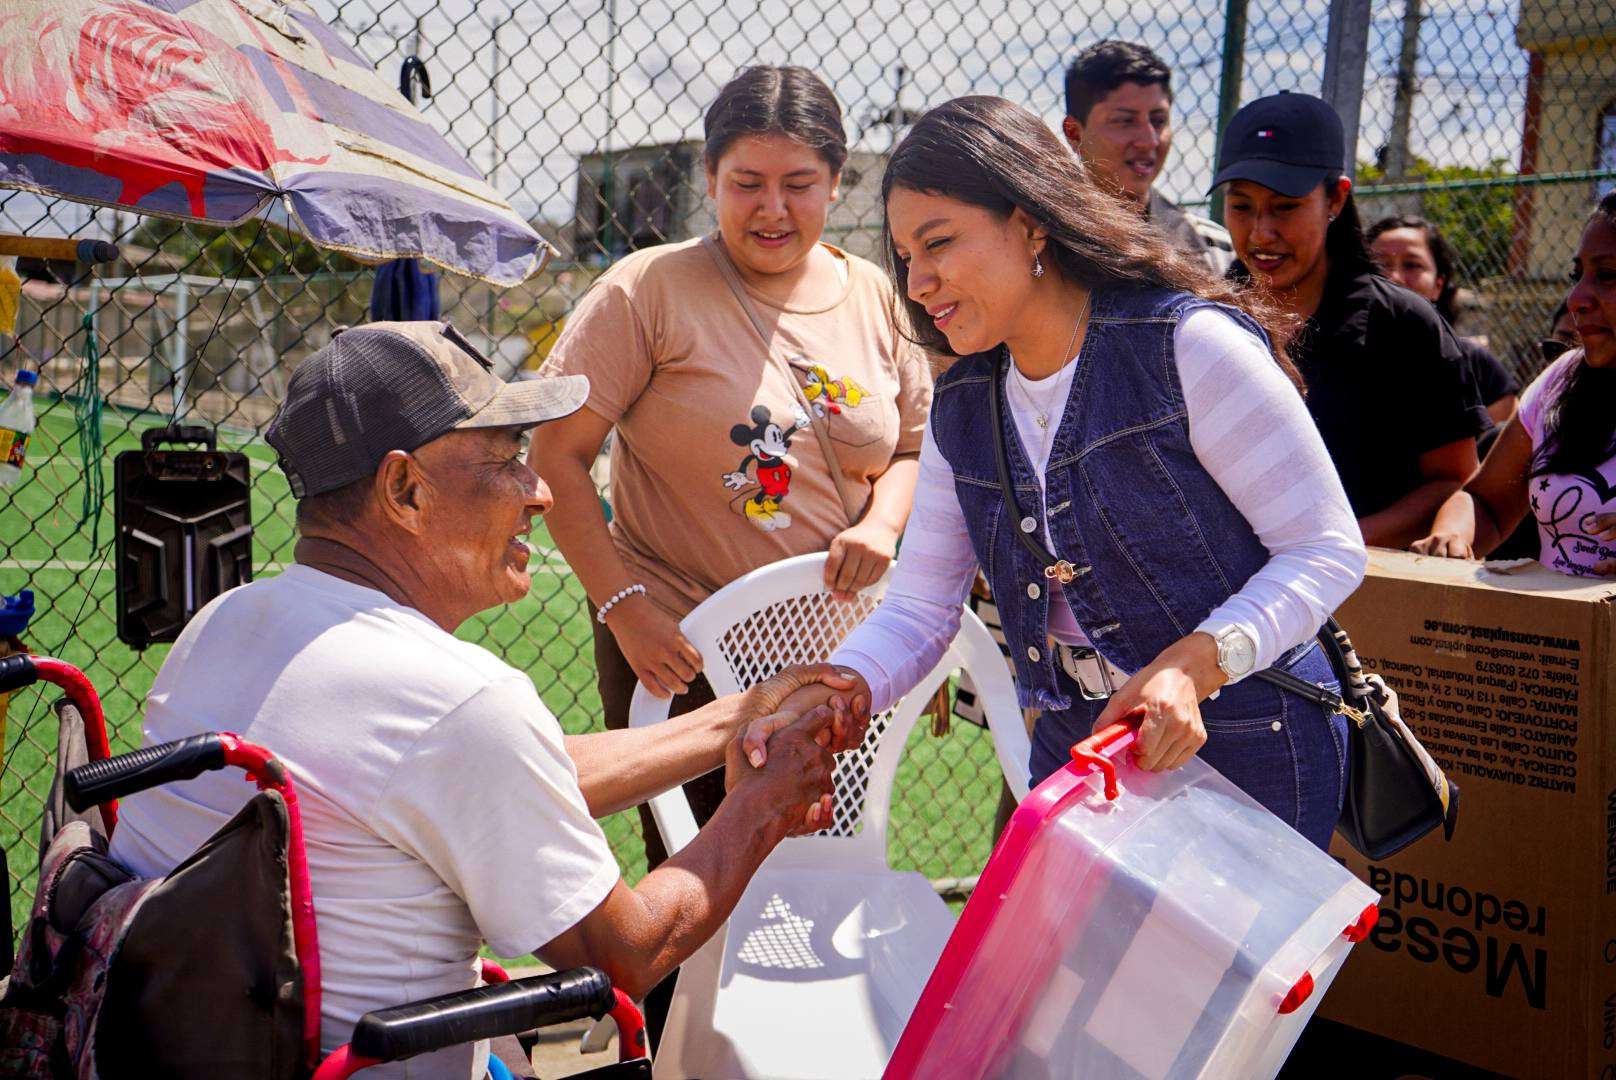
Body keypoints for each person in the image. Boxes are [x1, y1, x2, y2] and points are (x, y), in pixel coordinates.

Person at [107, 321, 865, 1078]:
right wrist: (762, 804)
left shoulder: (225, 622)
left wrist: (739, 715)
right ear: (404, 490)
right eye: (507, 460)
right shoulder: (453, 701)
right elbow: (625, 953)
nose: (541, 493)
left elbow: (491, 777)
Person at [746, 96, 1368, 851]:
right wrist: (837, 686)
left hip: (1245, 732)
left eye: (938, 242)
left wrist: (1194, 665)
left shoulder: (1186, 346)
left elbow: (1325, 548)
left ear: (1031, 222)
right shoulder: (962, 402)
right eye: (906, 256)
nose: (918, 281)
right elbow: (922, 607)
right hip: (1079, 737)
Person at [532, 65, 930, 864]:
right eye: (747, 183)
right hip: (679, 646)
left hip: (833, 660)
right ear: (710, 176)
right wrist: (626, 609)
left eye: (799, 185)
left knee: (817, 878)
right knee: (696, 886)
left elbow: (916, 445)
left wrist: (884, 524)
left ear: (837, 182)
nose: (772, 209)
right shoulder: (647, 289)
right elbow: (555, 456)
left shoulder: (874, 295)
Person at [1214, 92, 1488, 549]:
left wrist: (1329, 551)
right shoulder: (1201, 320)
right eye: (1241, 206)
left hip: (1364, 581)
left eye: (1285, 206)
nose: (1261, 232)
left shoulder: (1403, 325)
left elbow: (1455, 481)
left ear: (1336, 200)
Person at [1411, 192, 1616, 576]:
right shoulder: (1562, 380)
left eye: (1607, 275)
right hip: (1555, 615)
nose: (1576, 299)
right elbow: (1486, 501)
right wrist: (1452, 536)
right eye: (1577, 276)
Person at [1061, 40, 1234, 275]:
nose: (1149, 140)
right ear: (1074, 132)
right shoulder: (1038, 241)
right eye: (1125, 121)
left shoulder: (1215, 250)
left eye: (1158, 121)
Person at [1367, 214, 1520, 426]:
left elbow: (1508, 441)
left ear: (1438, 285)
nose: (1393, 278)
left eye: (1411, 265)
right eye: (1379, 265)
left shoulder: (1474, 363)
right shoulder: (1336, 356)